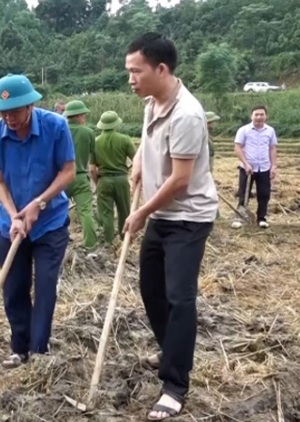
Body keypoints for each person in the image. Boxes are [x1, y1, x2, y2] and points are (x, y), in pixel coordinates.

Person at [124, 33, 217, 420]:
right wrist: (140, 162)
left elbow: (180, 180)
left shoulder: (188, 115)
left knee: (180, 298)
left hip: (188, 218)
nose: (130, 79)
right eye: (128, 71)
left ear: (161, 69)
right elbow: (150, 145)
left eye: (136, 71)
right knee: (151, 289)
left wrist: (142, 211)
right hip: (161, 215)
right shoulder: (152, 102)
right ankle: (170, 347)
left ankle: (175, 384)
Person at [0, 74, 75, 368]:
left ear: (31, 106)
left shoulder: (56, 127)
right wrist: (13, 215)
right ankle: (19, 348)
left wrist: (38, 203)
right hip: (11, 224)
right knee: (14, 286)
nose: (8, 117)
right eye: (3, 112)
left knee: (45, 285)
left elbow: (68, 171)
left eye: (15, 111)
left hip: (51, 222)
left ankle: (38, 351)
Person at [90, 110, 136, 244]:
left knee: (106, 213)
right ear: (116, 125)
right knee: (124, 211)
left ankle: (109, 241)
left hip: (104, 180)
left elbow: (92, 169)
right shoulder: (125, 139)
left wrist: (97, 182)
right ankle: (125, 239)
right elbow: (137, 160)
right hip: (121, 179)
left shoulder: (95, 142)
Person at [63, 100, 98, 254]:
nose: (84, 117)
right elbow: (94, 156)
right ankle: (91, 247)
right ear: (77, 116)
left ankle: (61, 241)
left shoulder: (59, 129)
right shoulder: (88, 132)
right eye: (83, 114)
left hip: (60, 180)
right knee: (85, 212)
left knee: (58, 212)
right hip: (81, 178)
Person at [234, 105, 276, 228]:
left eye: (261, 114)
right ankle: (240, 217)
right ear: (251, 116)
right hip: (247, 168)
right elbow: (238, 148)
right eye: (256, 114)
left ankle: (261, 218)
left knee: (264, 194)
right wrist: (246, 163)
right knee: (243, 193)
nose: (259, 117)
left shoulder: (270, 131)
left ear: (266, 116)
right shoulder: (244, 130)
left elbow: (272, 148)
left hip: (264, 167)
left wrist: (274, 166)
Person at [206, 111, 221, 219]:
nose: (213, 124)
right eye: (212, 122)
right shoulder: (203, 135)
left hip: (209, 168)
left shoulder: (209, 135)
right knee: (209, 192)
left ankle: (215, 214)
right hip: (205, 169)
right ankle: (214, 214)